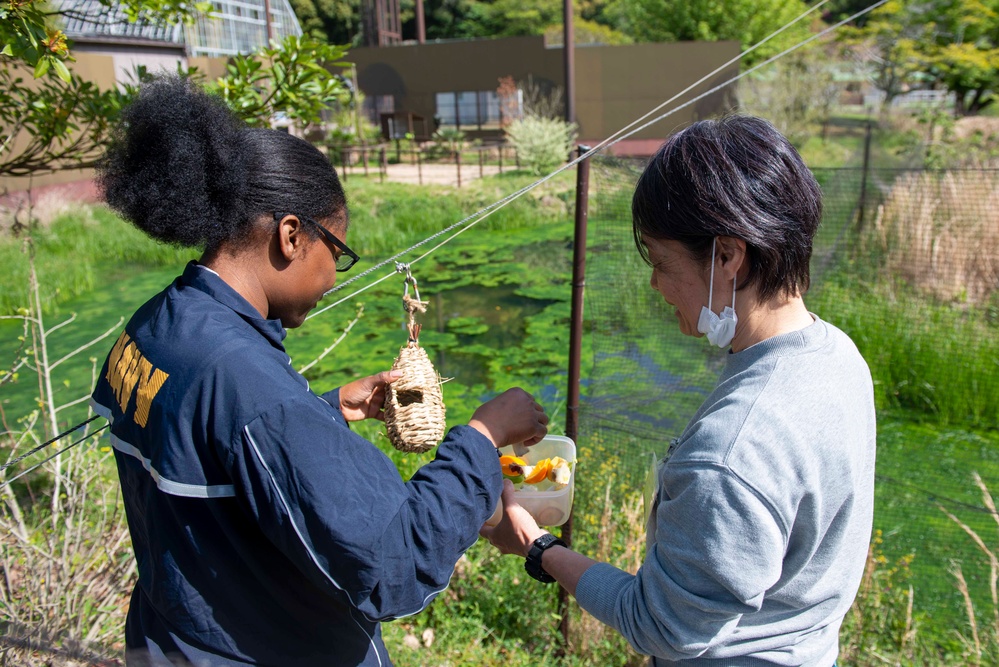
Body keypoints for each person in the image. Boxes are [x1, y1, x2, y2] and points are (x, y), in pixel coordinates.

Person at [90, 76, 548, 666]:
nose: (334, 277)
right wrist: (484, 437)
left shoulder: (156, 324)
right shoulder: (249, 385)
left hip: (170, 641)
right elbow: (393, 560)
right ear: (290, 235)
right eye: (337, 252)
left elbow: (209, 450)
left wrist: (323, 411)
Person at [481, 115, 876, 667]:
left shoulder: (734, 449)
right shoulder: (837, 356)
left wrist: (537, 547)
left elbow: (663, 627)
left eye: (662, 263)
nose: (655, 285)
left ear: (727, 256)